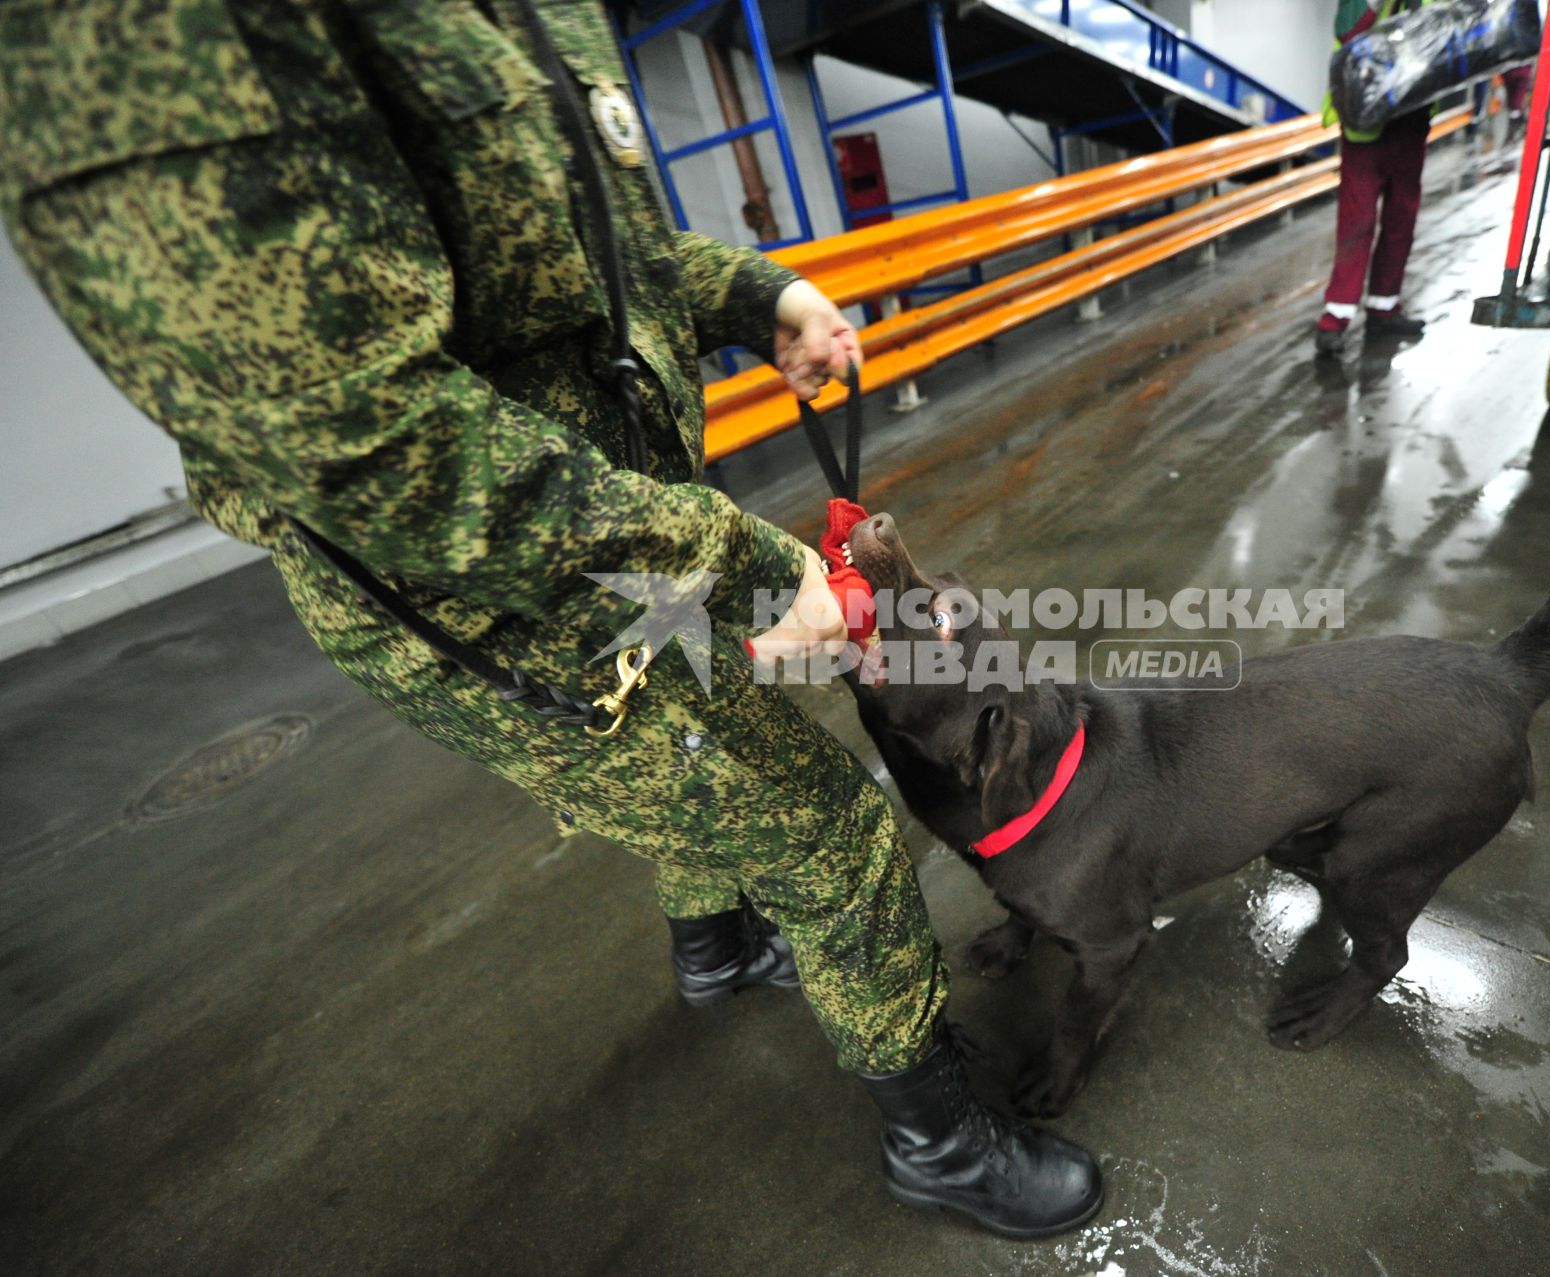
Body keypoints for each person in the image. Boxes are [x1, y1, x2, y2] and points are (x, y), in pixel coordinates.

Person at [0, 0, 1099, 1239]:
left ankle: (717, 950)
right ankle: (940, 1143)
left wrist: (760, 294)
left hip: (621, 532)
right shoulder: (151, 31)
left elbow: (596, 259)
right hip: (487, 595)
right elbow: (368, 444)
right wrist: (732, 562)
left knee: (708, 733)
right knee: (826, 825)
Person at [1315, 0, 1434, 355]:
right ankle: (1334, 319)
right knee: (1358, 221)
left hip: (1410, 119)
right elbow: (1348, 29)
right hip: (1365, 123)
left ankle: (1384, 308)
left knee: (1402, 219)